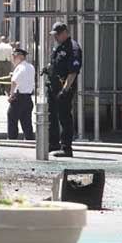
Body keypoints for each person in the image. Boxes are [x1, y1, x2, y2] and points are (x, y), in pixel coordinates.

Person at [46, 22, 82, 158]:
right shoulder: (59, 46)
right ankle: (53, 144)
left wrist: (65, 90)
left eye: (57, 35)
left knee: (64, 117)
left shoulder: (73, 48)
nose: (55, 37)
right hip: (53, 86)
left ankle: (66, 148)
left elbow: (73, 72)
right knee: (52, 116)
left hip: (64, 88)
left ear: (65, 33)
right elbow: (55, 64)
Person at [7, 48, 35, 140]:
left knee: (12, 117)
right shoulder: (30, 67)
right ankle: (29, 139)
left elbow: (14, 82)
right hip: (28, 98)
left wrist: (11, 95)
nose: (13, 58)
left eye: (14, 56)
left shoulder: (20, 67)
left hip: (19, 97)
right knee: (26, 121)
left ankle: (12, 139)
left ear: (20, 56)